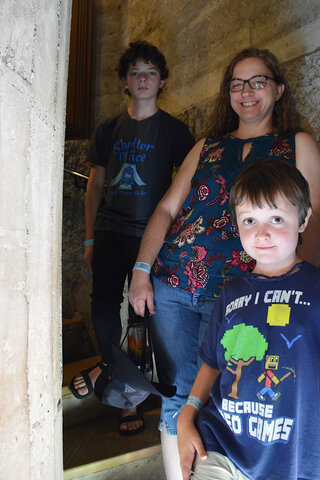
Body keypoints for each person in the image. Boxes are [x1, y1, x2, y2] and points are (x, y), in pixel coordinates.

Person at [129, 47, 320, 477]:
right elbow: (166, 210)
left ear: (279, 89)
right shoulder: (207, 146)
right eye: (237, 84)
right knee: (178, 396)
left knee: (232, 396)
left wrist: (293, 290)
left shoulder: (296, 144)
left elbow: (315, 214)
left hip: (240, 296)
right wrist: (141, 271)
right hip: (175, 285)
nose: (246, 92)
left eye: (257, 82)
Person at [69, 41, 195, 436]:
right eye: (135, 73)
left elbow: (189, 186)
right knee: (105, 308)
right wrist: (89, 238)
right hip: (109, 231)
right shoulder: (109, 129)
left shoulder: (175, 130)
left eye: (150, 73)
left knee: (141, 318)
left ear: (163, 80)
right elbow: (94, 185)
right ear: (124, 81)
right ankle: (112, 371)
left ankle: (129, 398)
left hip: (151, 237)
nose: (143, 79)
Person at [177, 159, 320, 480]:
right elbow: (213, 363)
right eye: (250, 220)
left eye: (277, 218)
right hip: (221, 442)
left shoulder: (316, 289)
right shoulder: (232, 292)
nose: (262, 233)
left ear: (303, 219)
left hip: (296, 455)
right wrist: (186, 416)